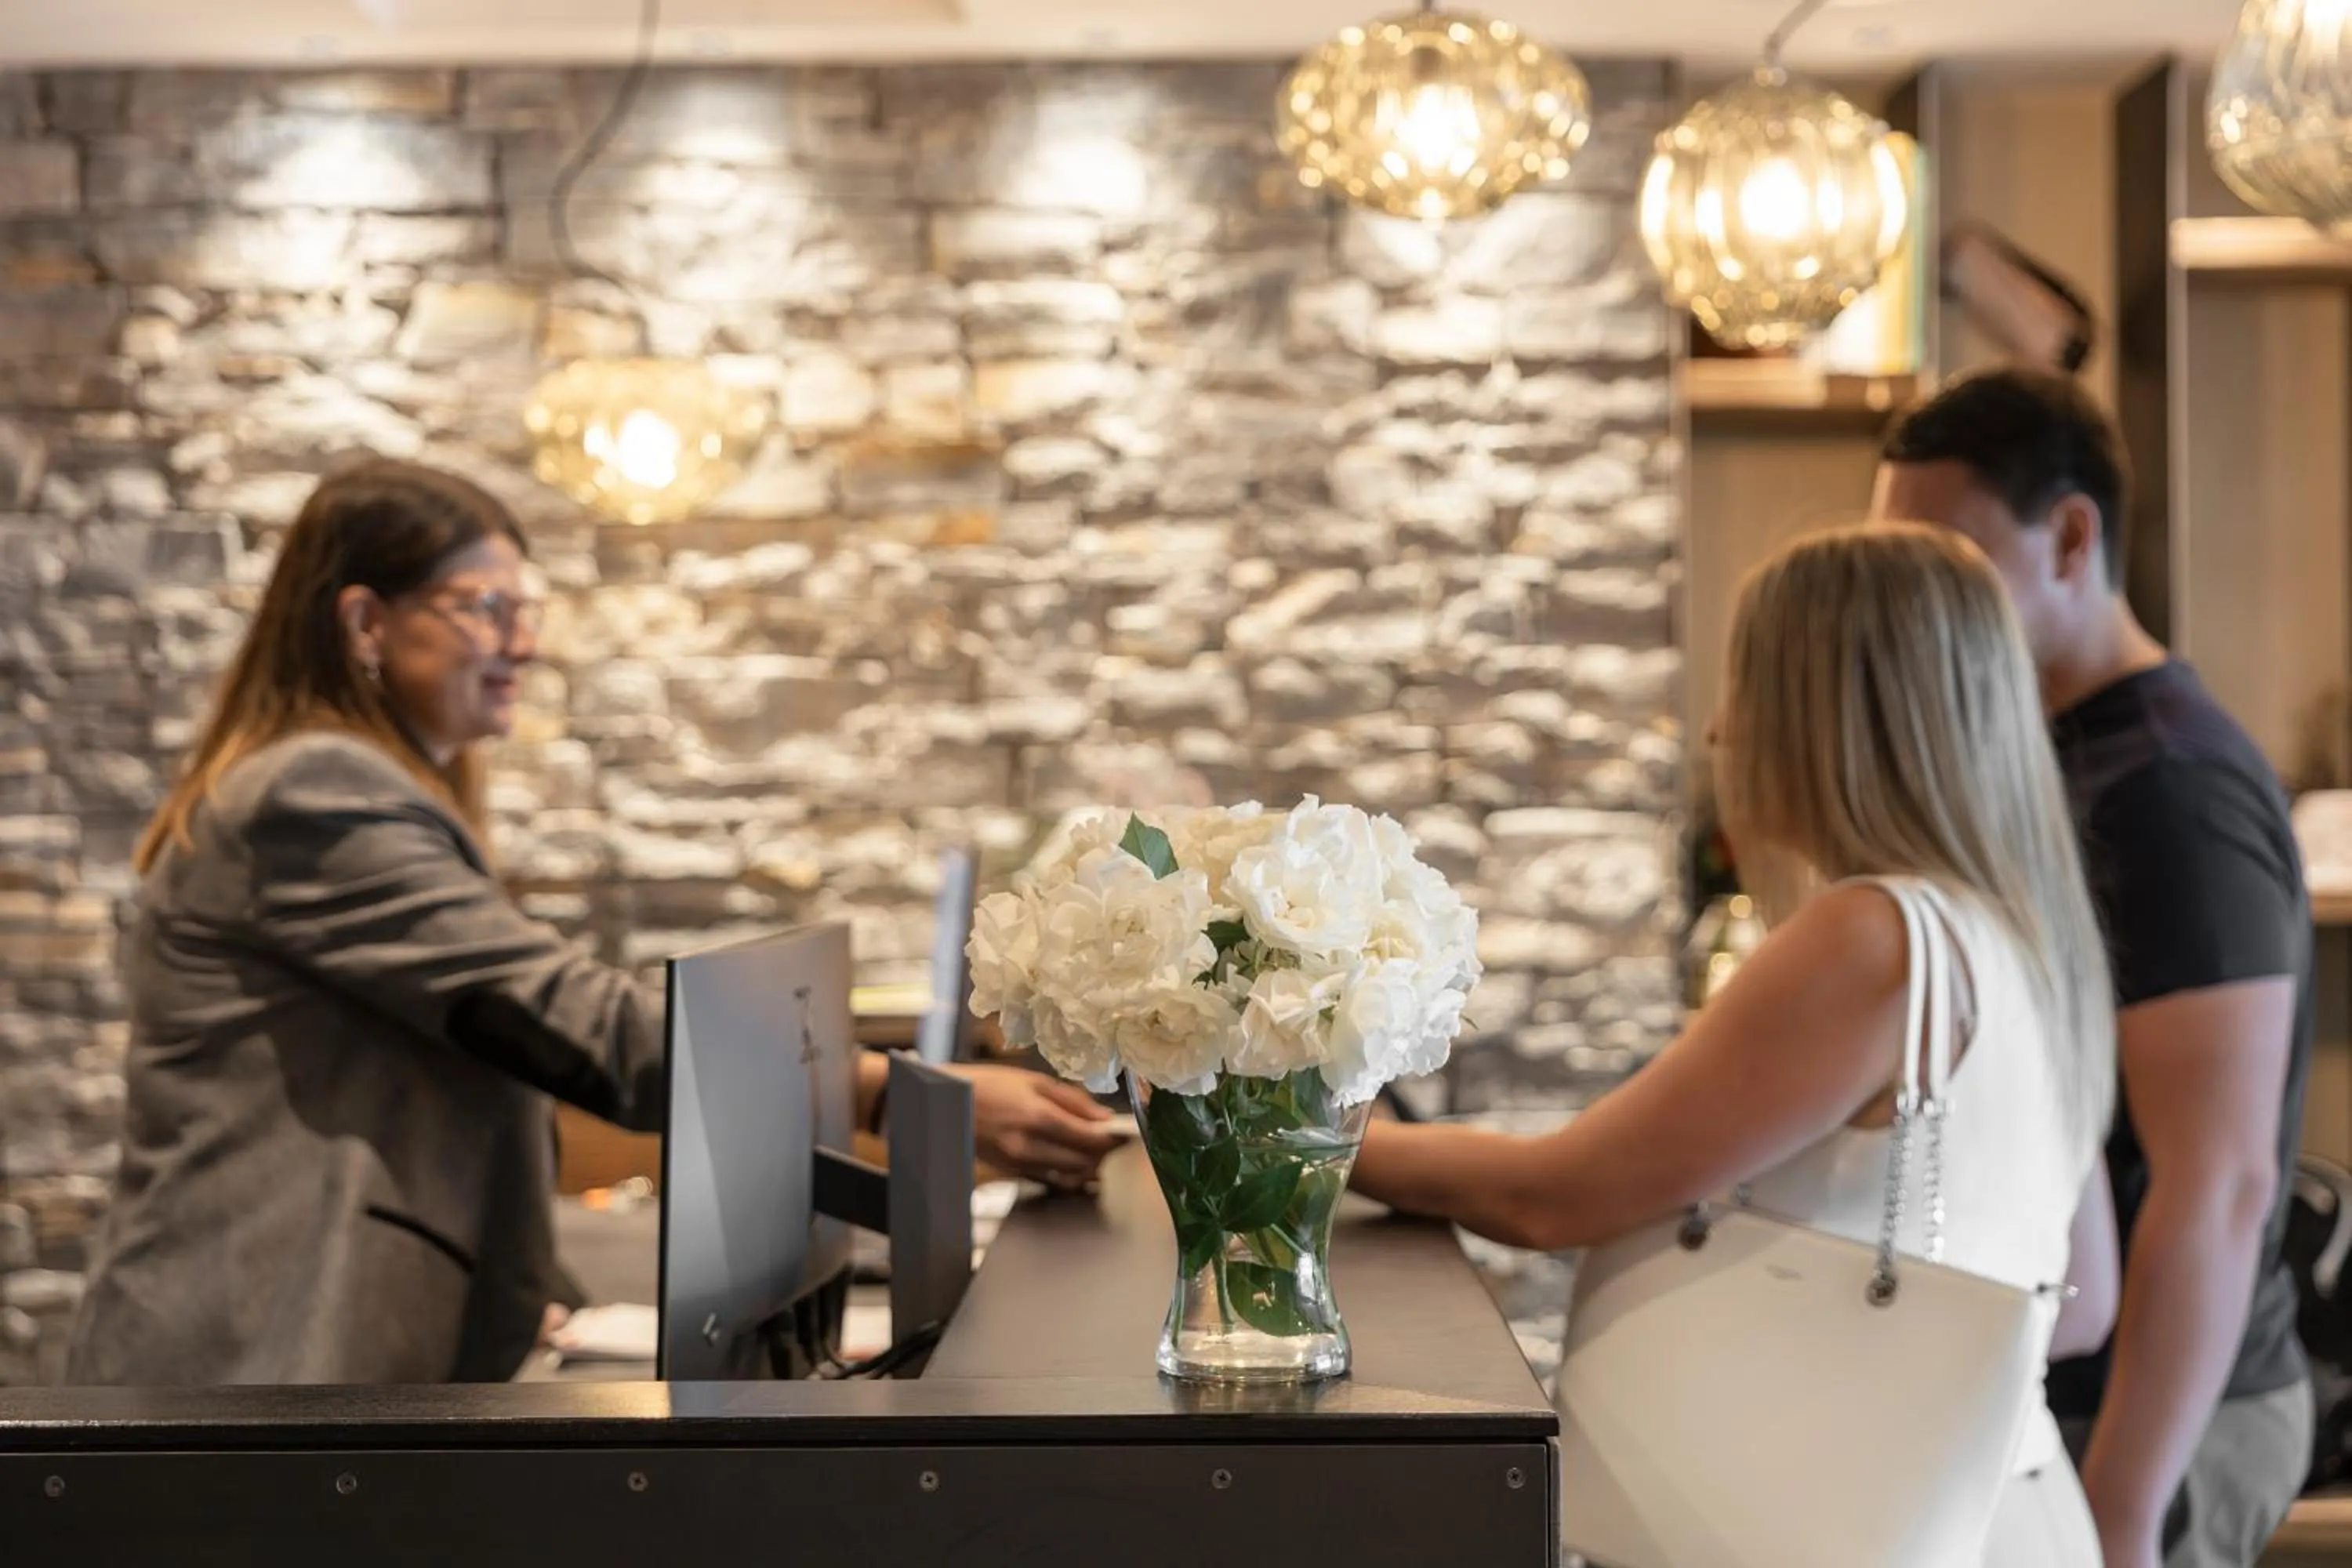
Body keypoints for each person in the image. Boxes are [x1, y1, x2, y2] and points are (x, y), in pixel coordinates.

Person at [66, 458, 1123, 1388]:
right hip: (250, 1350)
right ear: (365, 624)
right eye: (485, 608)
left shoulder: (353, 791)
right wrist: (892, 1093)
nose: (522, 644)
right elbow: (578, 1026)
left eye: (527, 609)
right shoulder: (313, 796)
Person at [1351, 523, 2121, 1565]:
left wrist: (1316, 1138)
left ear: (1830, 718)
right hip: (2011, 1511)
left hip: (1839, 1529)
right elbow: (2084, 1303)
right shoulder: (2031, 945)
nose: (1719, 731)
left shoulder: (1874, 938)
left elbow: (1552, 1197)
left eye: (1750, 690)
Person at [1874, 367, 2317, 1568]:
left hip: (2162, 1417)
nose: (1914, 601)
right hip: (2056, 1394)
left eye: (1945, 560)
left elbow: (2219, 1184)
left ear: (2072, 537)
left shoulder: (2172, 791)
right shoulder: (2045, 755)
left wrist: (2122, 1513)